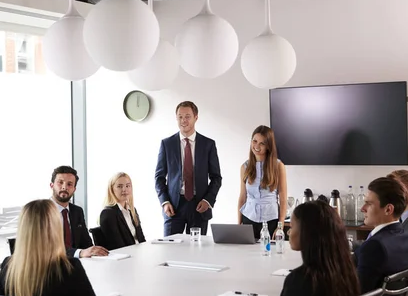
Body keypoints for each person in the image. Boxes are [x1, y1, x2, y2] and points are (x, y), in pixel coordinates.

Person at [230, 201, 361, 296]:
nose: (288, 232)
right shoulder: (347, 271)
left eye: (292, 227)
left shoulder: (301, 280)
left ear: (307, 233)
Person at [155, 101, 222, 236]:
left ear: (196, 117)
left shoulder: (208, 144)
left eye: (187, 116)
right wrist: (165, 202)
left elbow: (216, 177)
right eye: (180, 117)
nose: (183, 120)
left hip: (199, 206)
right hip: (174, 206)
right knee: (171, 250)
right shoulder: (167, 144)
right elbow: (159, 177)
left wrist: (207, 200)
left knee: (196, 252)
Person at [355, 177, 408, 293]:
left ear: (388, 209)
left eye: (369, 204)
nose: (363, 209)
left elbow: (357, 293)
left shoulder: (375, 246)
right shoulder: (406, 236)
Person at [237, 125, 288, 239]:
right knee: (248, 255)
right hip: (249, 218)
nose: (256, 146)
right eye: (254, 141)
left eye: (262, 143)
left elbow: (283, 198)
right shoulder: (244, 167)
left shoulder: (278, 166)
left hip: (271, 220)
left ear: (268, 146)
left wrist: (280, 226)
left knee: (270, 253)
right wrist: (239, 223)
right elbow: (242, 197)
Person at [50, 165, 108, 258]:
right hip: (51, 265)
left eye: (69, 184)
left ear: (74, 189)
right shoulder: (41, 212)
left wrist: (94, 252)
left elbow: (86, 243)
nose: (64, 187)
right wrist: (80, 253)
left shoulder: (77, 211)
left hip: (78, 264)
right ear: (51, 185)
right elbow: (48, 247)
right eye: (60, 182)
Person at [99, 172, 146, 250]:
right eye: (119, 186)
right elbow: (117, 246)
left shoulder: (133, 210)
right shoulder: (108, 214)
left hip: (138, 254)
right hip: (125, 257)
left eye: (127, 186)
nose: (124, 189)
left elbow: (142, 240)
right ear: (112, 189)